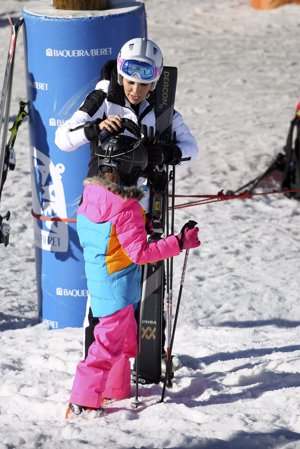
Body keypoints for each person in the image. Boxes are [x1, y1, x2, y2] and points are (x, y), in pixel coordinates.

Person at [55, 37, 199, 400]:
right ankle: (95, 381)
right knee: (105, 300)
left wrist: (165, 151)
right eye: (130, 81)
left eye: (144, 83)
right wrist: (93, 129)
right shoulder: (102, 98)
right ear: (120, 74)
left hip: (140, 206)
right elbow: (62, 138)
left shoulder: (159, 110)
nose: (136, 90)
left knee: (134, 294)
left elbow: (192, 147)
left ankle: (124, 376)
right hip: (104, 206)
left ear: (155, 80)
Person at [65, 127, 200, 417]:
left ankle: (115, 389)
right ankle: (82, 400)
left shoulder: (90, 196)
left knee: (125, 340)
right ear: (129, 169)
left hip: (104, 282)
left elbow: (109, 236)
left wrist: (141, 227)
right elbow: (140, 253)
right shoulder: (126, 208)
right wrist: (179, 242)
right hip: (115, 287)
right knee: (105, 346)